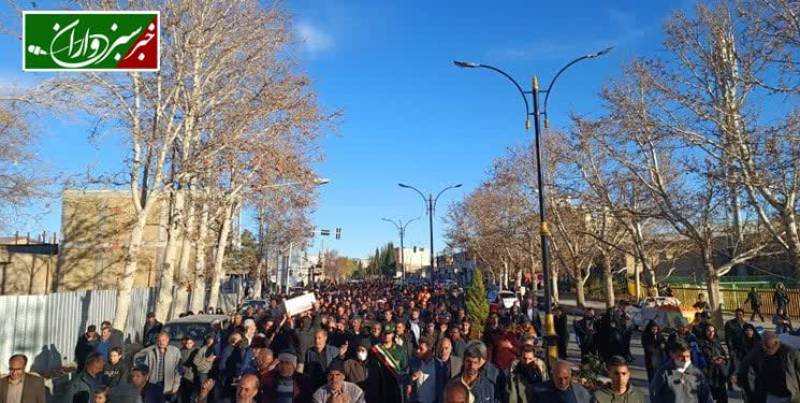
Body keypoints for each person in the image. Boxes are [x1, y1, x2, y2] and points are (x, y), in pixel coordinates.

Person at [737, 331, 800, 403]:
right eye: (765, 347)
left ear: (777, 343)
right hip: (770, 394)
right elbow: (745, 366)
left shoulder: (791, 353)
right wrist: (738, 377)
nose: (767, 349)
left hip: (789, 394)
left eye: (770, 347)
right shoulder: (757, 351)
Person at [135, 332, 182, 400]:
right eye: (159, 340)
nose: (161, 342)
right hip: (154, 384)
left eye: (163, 340)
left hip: (168, 385)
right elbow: (145, 369)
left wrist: (175, 386)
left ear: (168, 340)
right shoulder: (151, 352)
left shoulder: (175, 352)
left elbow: (178, 371)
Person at [407, 336, 447, 403]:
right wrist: (411, 379)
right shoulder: (413, 363)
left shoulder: (440, 366)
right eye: (417, 348)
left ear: (430, 350)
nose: (417, 351)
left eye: (421, 349)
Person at [697, 324, 728, 403]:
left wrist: (723, 359)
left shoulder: (716, 341)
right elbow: (699, 358)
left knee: (722, 398)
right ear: (705, 331)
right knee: (707, 398)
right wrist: (711, 360)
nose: (711, 333)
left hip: (719, 373)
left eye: (713, 331)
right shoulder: (700, 343)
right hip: (707, 374)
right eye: (709, 331)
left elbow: (723, 353)